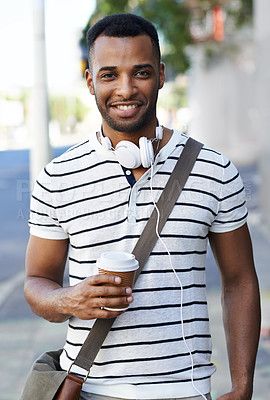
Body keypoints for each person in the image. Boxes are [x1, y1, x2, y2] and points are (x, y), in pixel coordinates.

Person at [24, 13, 261, 400]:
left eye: (141, 72)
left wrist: (243, 386)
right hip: (87, 390)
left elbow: (240, 280)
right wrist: (69, 299)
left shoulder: (214, 169)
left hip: (186, 391)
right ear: (89, 81)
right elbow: (36, 282)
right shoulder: (58, 176)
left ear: (162, 75)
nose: (125, 89)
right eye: (109, 75)